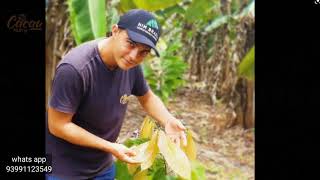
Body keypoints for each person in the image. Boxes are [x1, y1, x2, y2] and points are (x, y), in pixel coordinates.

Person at [46, 9, 187, 180]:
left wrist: (168, 120)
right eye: (131, 43)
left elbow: (147, 97)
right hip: (65, 169)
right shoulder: (76, 68)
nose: (134, 56)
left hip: (102, 165)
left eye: (144, 52)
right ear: (115, 31)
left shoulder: (130, 65)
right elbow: (58, 125)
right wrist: (111, 147)